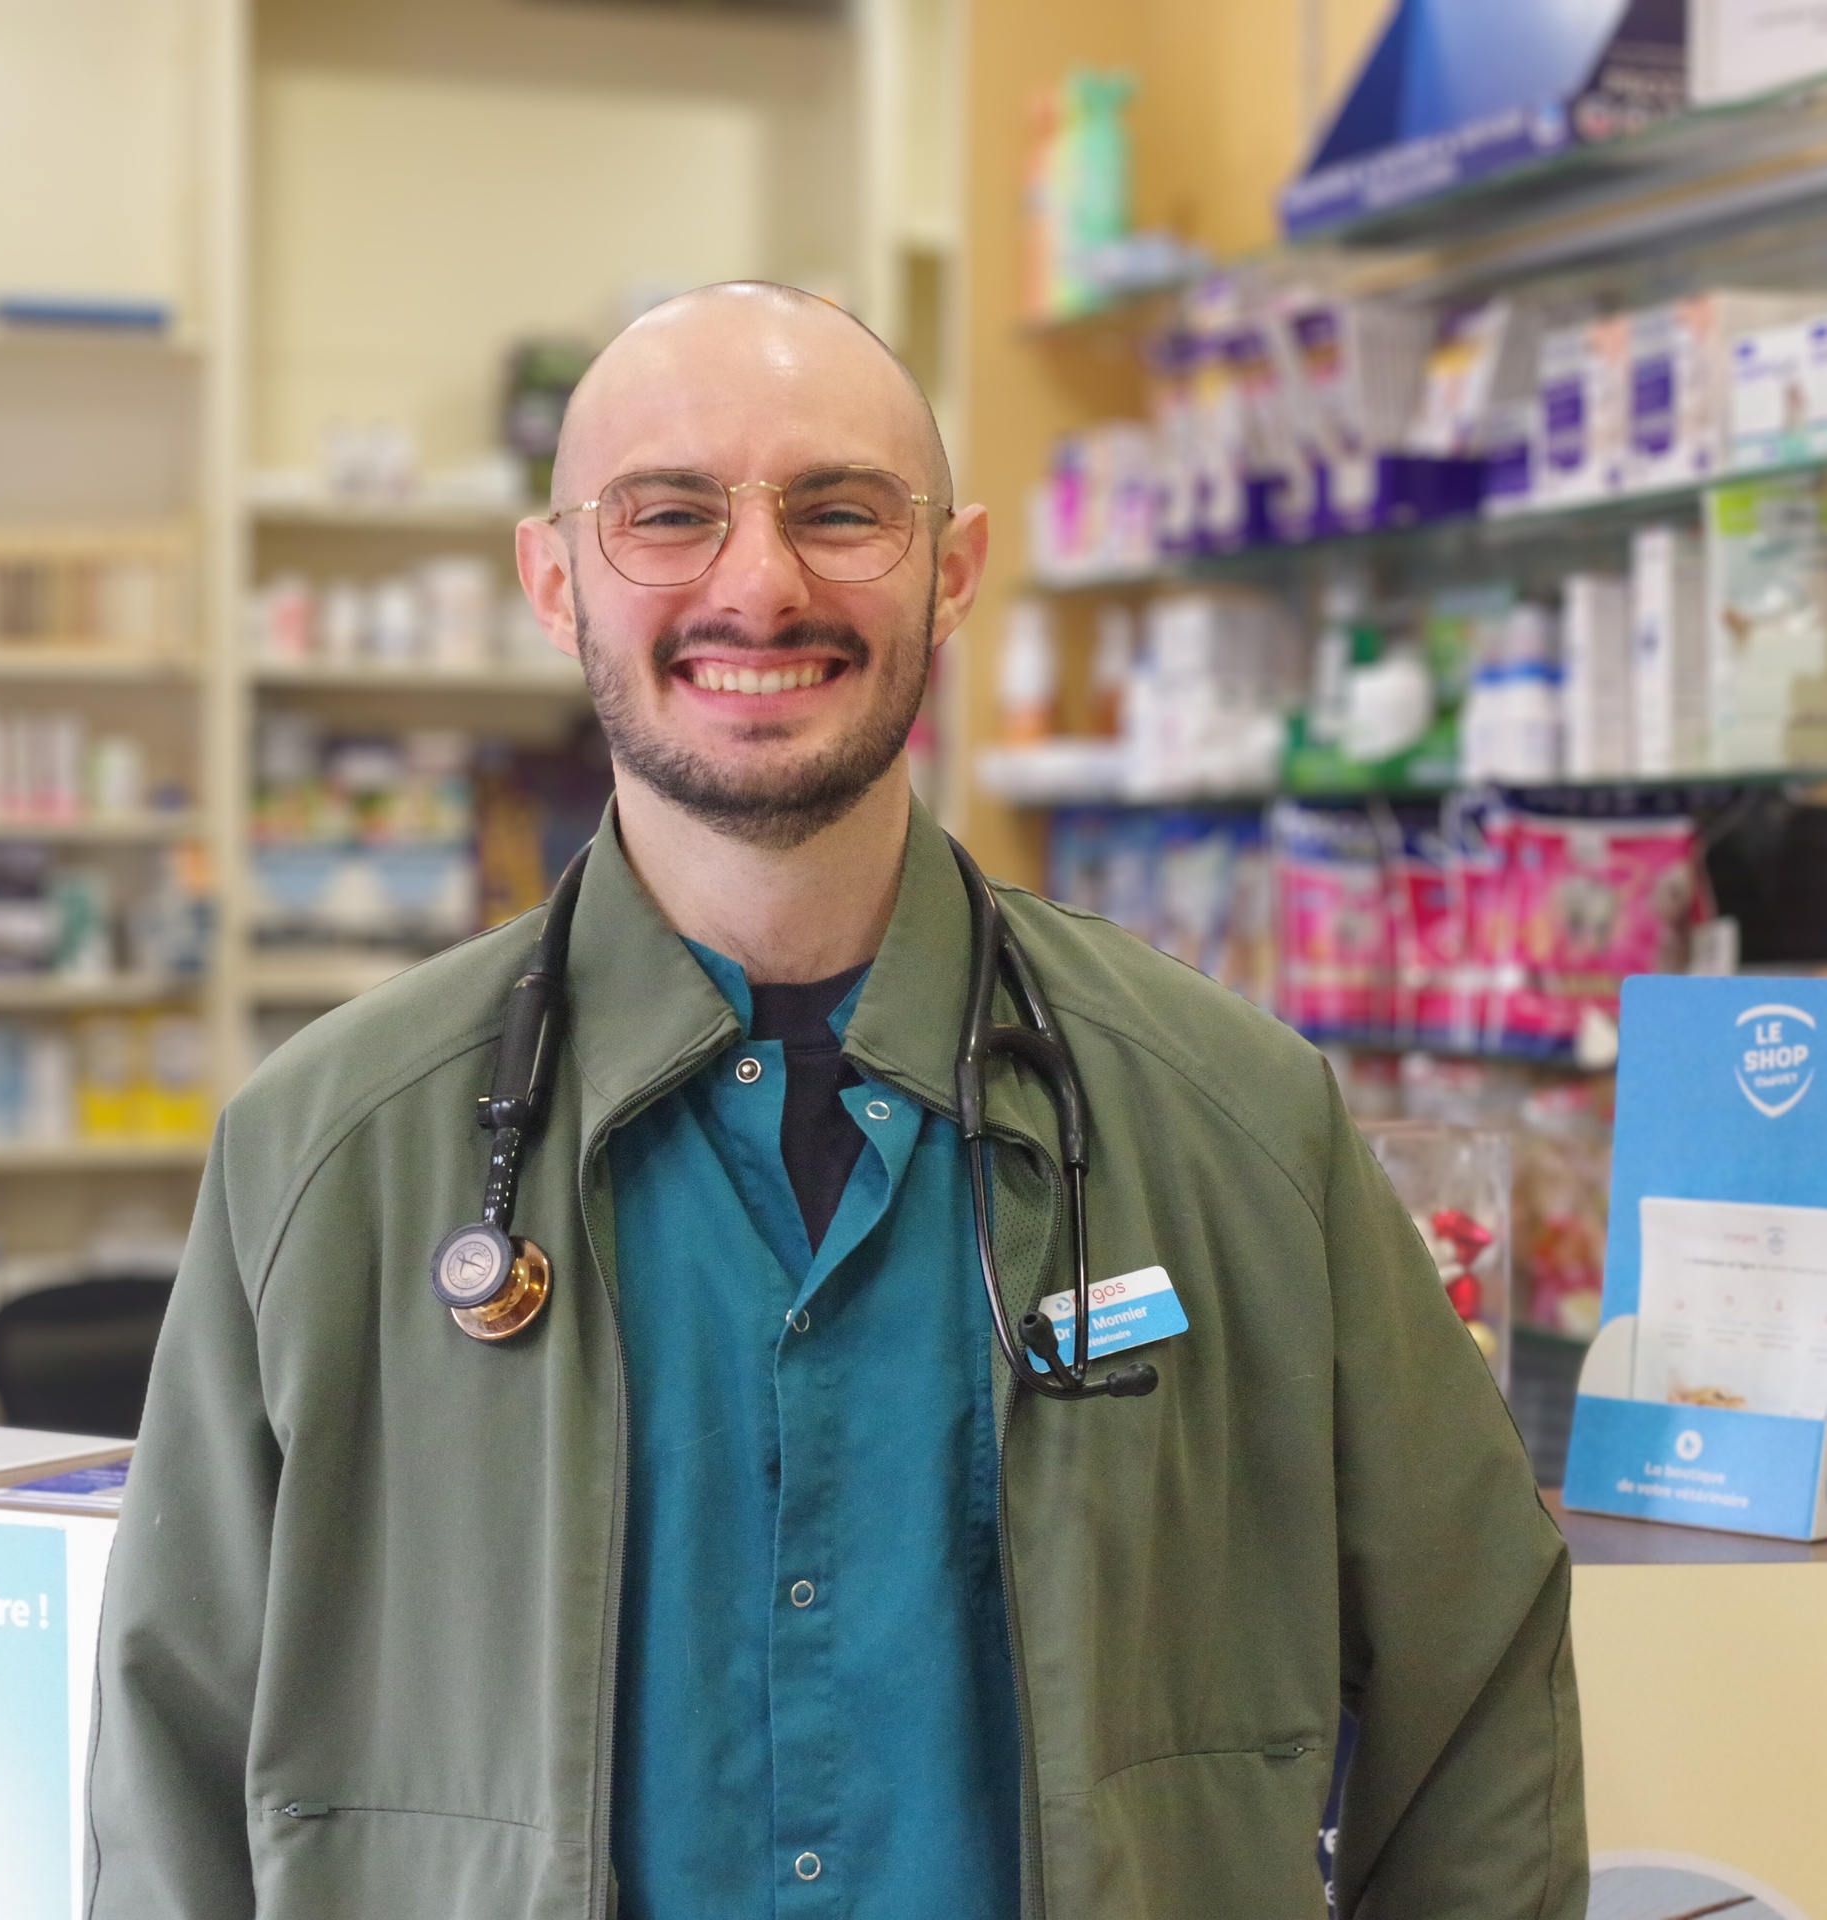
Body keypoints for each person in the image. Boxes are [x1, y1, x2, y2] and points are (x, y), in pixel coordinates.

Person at [86, 282, 1586, 1920]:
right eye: (669, 514)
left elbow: (1478, 1687)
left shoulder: (1236, 1126)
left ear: (953, 569)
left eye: (841, 511)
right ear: (554, 577)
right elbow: (170, 1781)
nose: (759, 584)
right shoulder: (329, 1153)